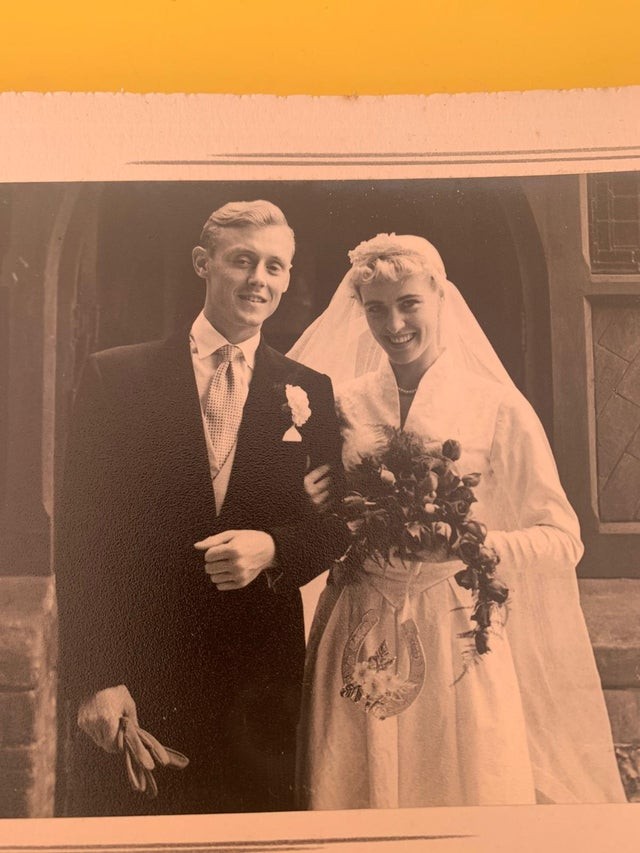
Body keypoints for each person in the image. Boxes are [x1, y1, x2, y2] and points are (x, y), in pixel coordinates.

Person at [290, 233, 626, 808]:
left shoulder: (496, 406)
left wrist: (469, 542)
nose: (392, 324)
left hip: (457, 631)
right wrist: (313, 503)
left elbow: (561, 539)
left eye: (409, 303)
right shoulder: (341, 404)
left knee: (459, 786)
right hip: (358, 624)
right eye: (375, 309)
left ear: (441, 297)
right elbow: (311, 518)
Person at [55, 200, 350, 816]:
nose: (258, 280)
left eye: (275, 266)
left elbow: (334, 525)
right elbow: (82, 540)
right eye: (242, 260)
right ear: (203, 263)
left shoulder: (307, 390)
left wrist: (274, 548)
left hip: (257, 683)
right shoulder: (117, 378)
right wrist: (95, 678)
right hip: (140, 668)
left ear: (288, 277)